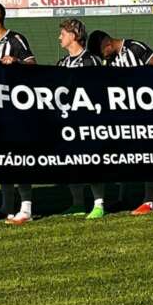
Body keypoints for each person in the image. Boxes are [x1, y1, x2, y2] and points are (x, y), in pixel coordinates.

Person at [87, 28, 153, 216]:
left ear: (107, 44)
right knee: (123, 155)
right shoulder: (109, 61)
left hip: (145, 111)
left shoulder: (135, 47)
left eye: (102, 53)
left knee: (147, 155)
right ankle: (123, 197)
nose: (103, 57)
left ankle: (149, 200)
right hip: (124, 114)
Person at [0, 1, 37, 225]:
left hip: (17, 108)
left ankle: (26, 209)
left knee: (19, 157)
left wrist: (16, 61)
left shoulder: (15, 39)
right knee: (3, 159)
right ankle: (6, 206)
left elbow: (33, 65)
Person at [55, 18, 106, 219]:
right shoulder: (62, 63)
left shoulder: (91, 60)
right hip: (68, 121)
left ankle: (99, 204)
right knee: (71, 164)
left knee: (91, 163)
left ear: (74, 35)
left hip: (87, 120)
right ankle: (77, 203)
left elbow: (98, 89)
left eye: (63, 34)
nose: (59, 37)